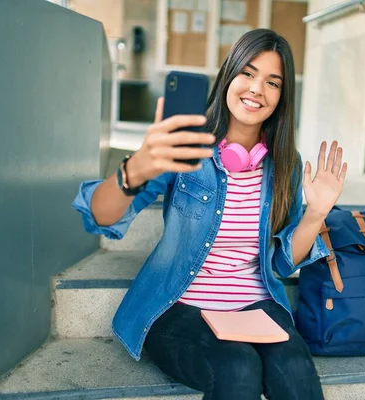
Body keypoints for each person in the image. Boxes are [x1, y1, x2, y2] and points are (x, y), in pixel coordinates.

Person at [72, 28, 347, 400]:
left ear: (282, 97)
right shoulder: (185, 146)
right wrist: (134, 169)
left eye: (272, 82)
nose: (256, 89)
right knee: (236, 367)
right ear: (228, 75)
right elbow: (100, 218)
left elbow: (283, 265)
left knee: (297, 372)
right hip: (180, 305)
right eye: (247, 73)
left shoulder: (286, 165)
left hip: (256, 304)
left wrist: (316, 213)